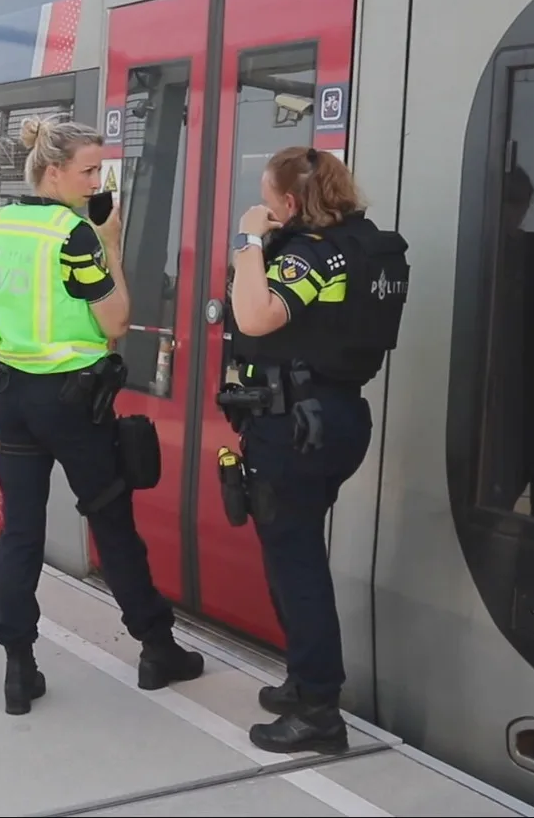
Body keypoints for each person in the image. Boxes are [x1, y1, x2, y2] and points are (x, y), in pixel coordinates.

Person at [0, 114, 204, 715]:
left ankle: (18, 667)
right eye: (89, 170)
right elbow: (116, 321)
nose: (97, 181)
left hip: (14, 395)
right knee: (111, 523)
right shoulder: (72, 235)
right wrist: (111, 244)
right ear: (53, 172)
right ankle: (157, 647)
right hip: (73, 404)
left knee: (20, 533)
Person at [217, 146, 408, 753]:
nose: (262, 207)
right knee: (292, 550)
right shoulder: (362, 242)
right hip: (335, 417)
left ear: (291, 203)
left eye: (267, 198)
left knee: (296, 562)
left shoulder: (313, 254)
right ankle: (303, 680)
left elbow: (254, 317)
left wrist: (249, 240)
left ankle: (320, 708)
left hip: (294, 427)